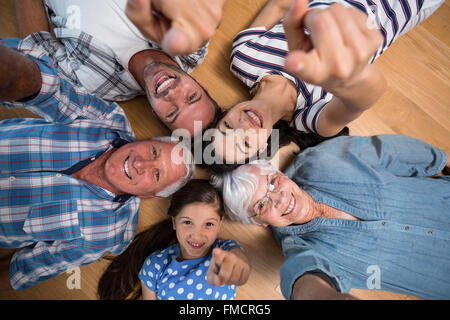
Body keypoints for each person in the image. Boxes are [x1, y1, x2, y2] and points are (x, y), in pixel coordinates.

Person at [0, 36, 195, 291]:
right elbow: (50, 90)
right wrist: (19, 75)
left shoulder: (107, 234)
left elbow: (24, 269)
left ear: (152, 195)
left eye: (156, 174)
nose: (142, 163)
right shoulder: (107, 118)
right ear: (145, 140)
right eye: (154, 151)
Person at [211, 134, 450, 299]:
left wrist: (442, 160)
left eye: (272, 183)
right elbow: (305, 277)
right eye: (262, 205)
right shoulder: (300, 249)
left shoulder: (320, 160)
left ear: (279, 173)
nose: (279, 198)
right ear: (260, 222)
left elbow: (388, 152)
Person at [209, 0, 444, 164]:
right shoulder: (310, 120)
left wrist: (313, 13)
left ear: (225, 113)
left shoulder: (243, 59)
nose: (242, 128)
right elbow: (366, 96)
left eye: (227, 128)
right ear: (262, 148)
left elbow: (280, 4)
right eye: (244, 144)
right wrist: (340, 79)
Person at [14, 0, 225, 136]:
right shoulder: (191, 43)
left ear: (154, 113)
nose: (172, 94)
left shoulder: (91, 84)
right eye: (191, 97)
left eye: (171, 113)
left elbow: (35, 41)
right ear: (199, 83)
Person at [97, 179, 250, 300]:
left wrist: (236, 266)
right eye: (188, 222)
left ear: (220, 223)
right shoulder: (155, 265)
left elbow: (240, 262)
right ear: (174, 222)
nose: (197, 235)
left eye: (209, 224)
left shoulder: (226, 250)